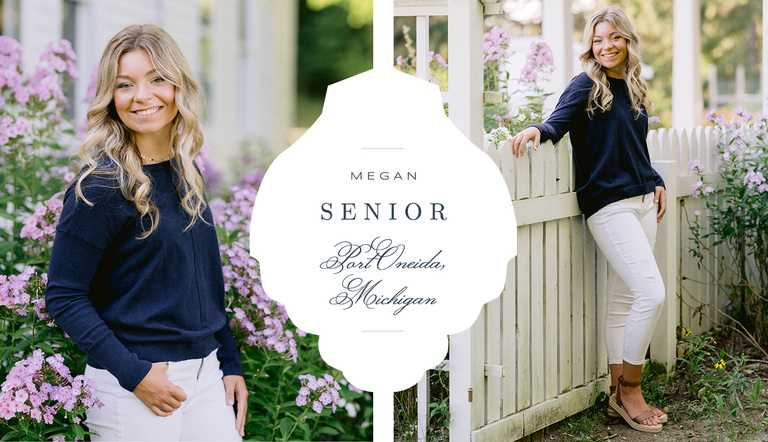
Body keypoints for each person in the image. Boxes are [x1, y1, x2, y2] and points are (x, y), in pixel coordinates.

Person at [46, 24, 247, 440]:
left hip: (206, 377)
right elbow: (64, 296)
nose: (142, 95)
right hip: (133, 387)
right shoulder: (101, 186)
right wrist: (134, 375)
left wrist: (229, 362)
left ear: (179, 87)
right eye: (125, 84)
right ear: (110, 97)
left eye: (157, 79)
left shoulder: (186, 172)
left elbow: (203, 282)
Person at [510, 6, 667, 434]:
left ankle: (617, 394)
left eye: (613, 38)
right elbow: (558, 122)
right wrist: (536, 131)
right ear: (590, 46)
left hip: (641, 202)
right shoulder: (586, 84)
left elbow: (634, 144)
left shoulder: (633, 85)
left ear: (627, 41)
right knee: (651, 294)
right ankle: (632, 389)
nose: (606, 47)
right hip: (608, 207)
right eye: (598, 40)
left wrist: (654, 179)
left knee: (621, 304)